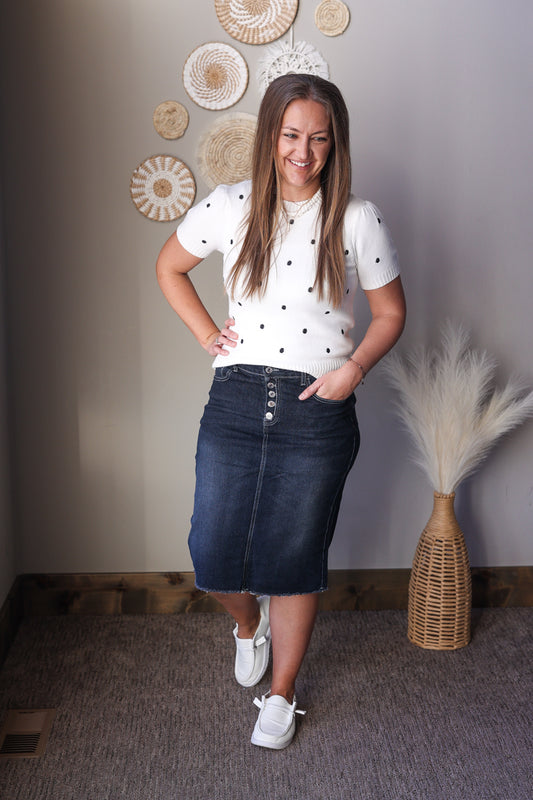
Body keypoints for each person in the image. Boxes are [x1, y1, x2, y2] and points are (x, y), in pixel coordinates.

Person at [156, 73, 406, 750]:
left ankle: (282, 692)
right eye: (291, 135)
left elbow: (389, 313)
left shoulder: (356, 216)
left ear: (335, 144)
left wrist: (352, 370)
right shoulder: (230, 205)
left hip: (316, 406)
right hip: (236, 398)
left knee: (295, 558)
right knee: (212, 556)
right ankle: (248, 626)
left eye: (319, 139)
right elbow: (168, 267)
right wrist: (208, 334)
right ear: (269, 136)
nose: (303, 151)